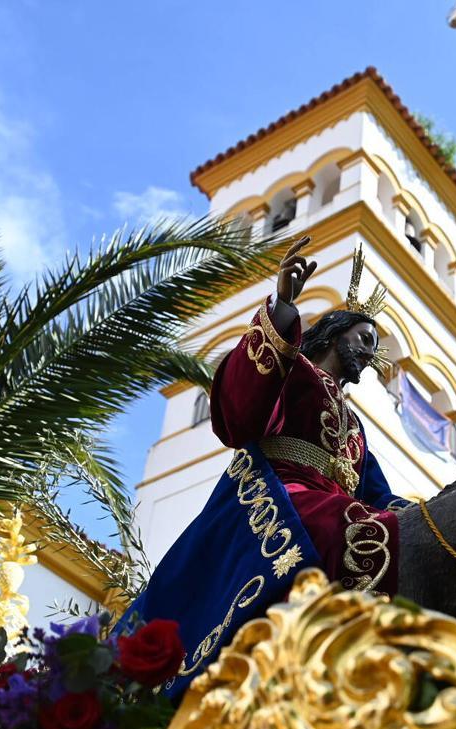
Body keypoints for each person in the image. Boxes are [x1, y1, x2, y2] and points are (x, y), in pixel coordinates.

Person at [123, 237, 409, 695]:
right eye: (365, 339)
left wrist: (419, 513)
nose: (371, 354)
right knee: (350, 523)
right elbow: (243, 413)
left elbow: (376, 489)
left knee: (388, 525)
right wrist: (282, 310)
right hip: (282, 497)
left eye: (376, 347)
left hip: (329, 501)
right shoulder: (292, 371)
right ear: (336, 330)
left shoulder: (355, 425)